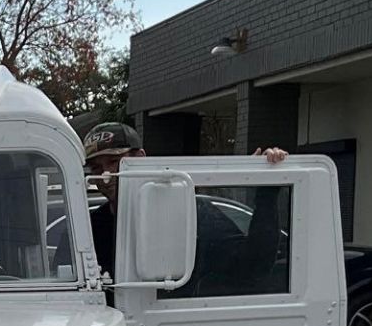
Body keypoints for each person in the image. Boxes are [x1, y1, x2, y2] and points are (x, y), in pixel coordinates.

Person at [81, 121, 289, 289]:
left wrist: (267, 192)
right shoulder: (88, 229)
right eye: (97, 168)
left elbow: (254, 265)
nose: (106, 175)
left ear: (141, 158)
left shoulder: (193, 215)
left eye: (115, 162)